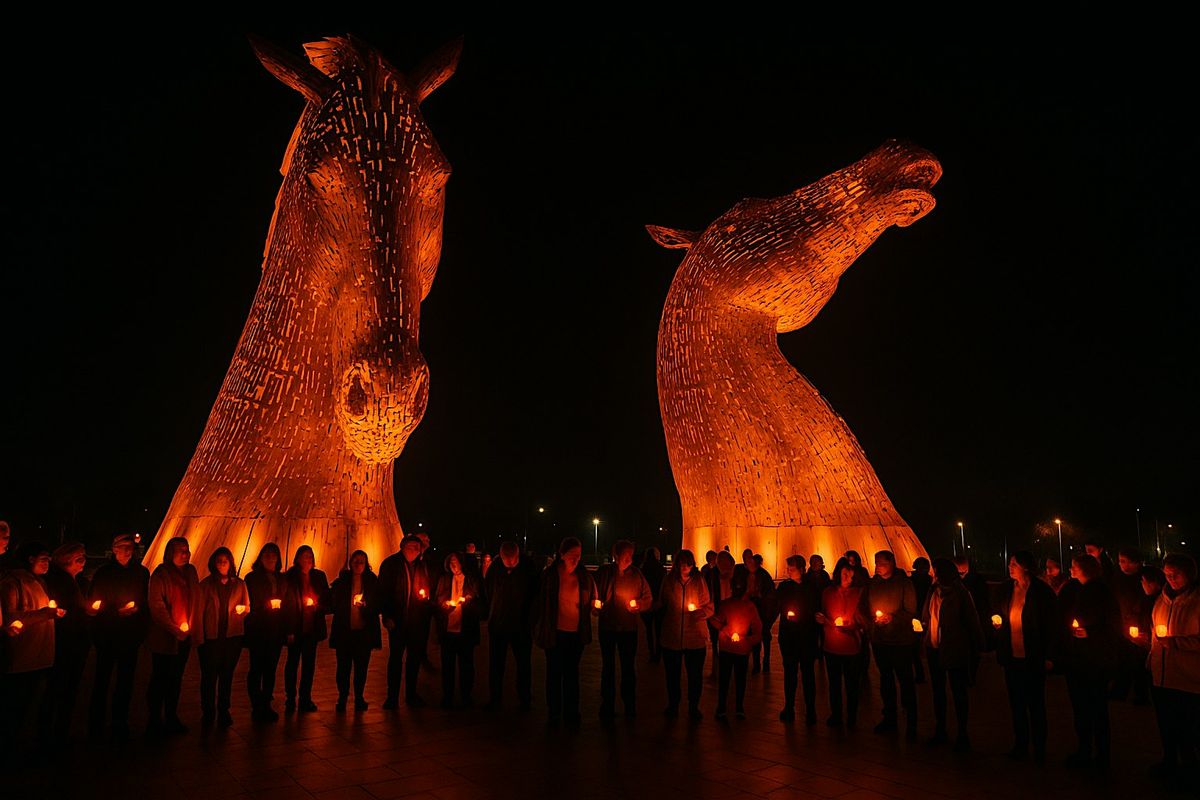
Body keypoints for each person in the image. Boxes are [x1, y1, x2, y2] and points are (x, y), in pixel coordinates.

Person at [994, 551, 1059, 765]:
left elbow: (1051, 626)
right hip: (1011, 656)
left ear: (1026, 567)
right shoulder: (1006, 589)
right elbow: (998, 614)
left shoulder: (1041, 592)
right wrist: (997, 624)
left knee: (1036, 703)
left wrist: (1049, 655)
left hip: (1033, 656)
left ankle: (1039, 747)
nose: (1010, 567)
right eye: (1010, 563)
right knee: (1016, 703)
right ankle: (1020, 743)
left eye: (1015, 564)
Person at [1060, 552, 1121, 768]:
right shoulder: (1078, 589)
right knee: (1082, 708)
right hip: (1078, 660)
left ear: (1084, 569)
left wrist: (1090, 634)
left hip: (1093, 661)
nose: (1070, 569)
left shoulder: (1099, 592)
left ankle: (1100, 755)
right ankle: (1085, 749)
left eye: (1074, 566)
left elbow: (1112, 624)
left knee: (1095, 708)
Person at [88, 533, 149, 741]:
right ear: (114, 549)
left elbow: (144, 601)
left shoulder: (141, 573)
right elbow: (95, 603)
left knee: (126, 680)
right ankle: (96, 721)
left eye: (130, 546)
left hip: (130, 636)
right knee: (102, 679)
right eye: (123, 546)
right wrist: (115, 612)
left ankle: (119, 720)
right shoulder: (104, 573)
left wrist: (140, 626)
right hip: (108, 634)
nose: (127, 550)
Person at [921, 557, 984, 751]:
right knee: (938, 691)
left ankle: (962, 733)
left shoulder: (961, 594)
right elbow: (926, 615)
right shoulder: (933, 591)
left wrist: (977, 647)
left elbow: (972, 621)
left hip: (954, 648)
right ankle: (941, 729)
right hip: (934, 648)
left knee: (958, 692)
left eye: (937, 572)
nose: (934, 575)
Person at [0, 541, 57, 753]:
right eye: (43, 559)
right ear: (30, 559)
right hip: (22, 657)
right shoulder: (11, 583)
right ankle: (10, 747)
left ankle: (24, 743)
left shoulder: (38, 582)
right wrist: (44, 614)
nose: (48, 563)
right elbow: (7, 617)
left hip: (39, 654)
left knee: (31, 704)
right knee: (15, 705)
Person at [534, 537, 596, 727]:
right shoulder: (550, 576)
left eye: (578, 556)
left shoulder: (584, 576)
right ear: (562, 555)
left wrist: (594, 607)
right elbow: (539, 602)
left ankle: (572, 711)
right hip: (555, 632)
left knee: (572, 673)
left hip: (576, 633)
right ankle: (554, 711)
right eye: (572, 555)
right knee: (554, 673)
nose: (576, 559)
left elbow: (594, 598)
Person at [1147, 553, 1199, 779]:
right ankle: (1169, 761)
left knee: (1189, 729)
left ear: (1189, 574)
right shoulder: (1161, 600)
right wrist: (1150, 656)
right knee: (1167, 726)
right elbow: (1154, 632)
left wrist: (1177, 642)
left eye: (1175, 574)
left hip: (1188, 678)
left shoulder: (1197, 601)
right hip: (1161, 676)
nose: (1170, 579)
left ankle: (1190, 771)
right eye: (1167, 574)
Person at [594, 540, 654, 719]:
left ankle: (629, 704)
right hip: (608, 628)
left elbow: (648, 597)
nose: (629, 559)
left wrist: (640, 605)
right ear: (616, 556)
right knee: (608, 667)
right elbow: (593, 594)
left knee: (628, 667)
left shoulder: (637, 575)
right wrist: (595, 606)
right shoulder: (604, 573)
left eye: (631, 556)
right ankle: (608, 704)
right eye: (626, 556)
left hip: (628, 629)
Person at [146, 536, 198, 737]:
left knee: (176, 678)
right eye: (180, 551)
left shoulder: (191, 572)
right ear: (170, 553)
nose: (185, 554)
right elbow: (157, 607)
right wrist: (174, 629)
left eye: (187, 550)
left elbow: (196, 599)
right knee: (160, 677)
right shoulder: (161, 574)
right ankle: (154, 719)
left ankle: (171, 715)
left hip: (184, 638)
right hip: (165, 638)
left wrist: (192, 629)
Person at [40, 542, 91, 742]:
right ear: (66, 560)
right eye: (79, 557)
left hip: (76, 641)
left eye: (84, 556)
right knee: (58, 687)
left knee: (68, 688)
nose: (83, 560)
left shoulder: (78, 581)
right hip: (65, 642)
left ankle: (60, 729)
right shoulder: (59, 582)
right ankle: (50, 733)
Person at [194, 546, 249, 728]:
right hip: (211, 639)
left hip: (231, 637)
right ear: (213, 563)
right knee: (209, 677)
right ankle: (208, 711)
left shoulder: (239, 584)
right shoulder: (205, 585)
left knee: (227, 676)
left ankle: (224, 710)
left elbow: (247, 606)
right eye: (219, 561)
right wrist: (200, 639)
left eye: (225, 561)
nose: (222, 564)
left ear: (230, 563)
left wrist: (242, 611)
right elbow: (199, 612)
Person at [378, 534, 434, 708]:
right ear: (402, 547)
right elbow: (383, 592)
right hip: (398, 620)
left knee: (414, 659)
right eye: (411, 547)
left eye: (417, 548)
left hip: (416, 621)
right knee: (395, 658)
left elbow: (427, 586)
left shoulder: (421, 565)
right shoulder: (391, 564)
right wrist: (386, 615)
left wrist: (425, 599)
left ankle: (411, 694)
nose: (414, 551)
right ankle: (392, 697)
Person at [867, 550, 918, 739]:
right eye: (876, 563)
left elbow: (911, 610)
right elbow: (869, 607)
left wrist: (892, 618)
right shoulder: (874, 584)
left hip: (900, 642)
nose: (877, 567)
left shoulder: (905, 584)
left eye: (881, 563)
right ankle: (889, 717)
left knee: (905, 681)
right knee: (885, 680)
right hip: (881, 641)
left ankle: (911, 722)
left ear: (892, 563)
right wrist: (874, 621)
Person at [483, 540, 538, 710]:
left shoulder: (530, 569)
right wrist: (491, 615)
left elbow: (536, 596)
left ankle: (525, 699)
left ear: (518, 555)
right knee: (496, 664)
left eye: (514, 560)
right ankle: (495, 698)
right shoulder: (494, 568)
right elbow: (488, 592)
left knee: (523, 664)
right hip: (498, 624)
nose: (511, 564)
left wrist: (530, 620)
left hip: (521, 626)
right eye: (507, 561)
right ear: (501, 557)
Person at [659, 549, 712, 720]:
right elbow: (661, 602)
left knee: (695, 675)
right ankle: (673, 704)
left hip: (694, 637)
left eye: (688, 564)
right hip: (672, 636)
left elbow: (709, 606)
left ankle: (693, 706)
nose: (685, 567)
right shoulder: (668, 581)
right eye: (681, 564)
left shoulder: (699, 581)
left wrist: (701, 613)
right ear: (676, 564)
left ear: (692, 565)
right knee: (672, 675)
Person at [817, 558, 866, 728]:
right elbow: (823, 612)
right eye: (845, 574)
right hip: (831, 646)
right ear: (838, 573)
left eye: (851, 576)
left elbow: (863, 618)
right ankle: (836, 715)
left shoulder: (859, 593)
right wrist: (821, 619)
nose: (848, 579)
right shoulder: (828, 593)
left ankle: (852, 717)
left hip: (851, 647)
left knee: (852, 685)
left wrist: (854, 625)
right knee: (834, 683)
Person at [329, 550, 381, 711]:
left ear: (366, 564)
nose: (358, 564)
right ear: (350, 563)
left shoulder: (372, 582)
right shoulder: (342, 582)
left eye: (362, 561)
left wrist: (365, 606)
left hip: (363, 633)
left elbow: (377, 605)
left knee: (361, 668)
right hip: (345, 632)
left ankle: (359, 697)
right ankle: (342, 697)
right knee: (343, 668)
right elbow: (333, 602)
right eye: (356, 561)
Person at [282, 545, 330, 713]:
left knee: (309, 665)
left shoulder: (319, 576)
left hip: (312, 629)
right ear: (297, 558)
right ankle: (290, 698)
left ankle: (305, 698)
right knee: (292, 663)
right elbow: (285, 605)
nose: (307, 559)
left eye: (310, 556)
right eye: (304, 556)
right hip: (296, 628)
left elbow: (327, 600)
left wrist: (317, 606)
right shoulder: (289, 577)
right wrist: (288, 630)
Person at [434, 552, 484, 708]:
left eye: (456, 562)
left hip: (466, 629)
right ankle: (447, 696)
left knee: (466, 666)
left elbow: (480, 602)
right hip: (448, 630)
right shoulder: (444, 579)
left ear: (462, 563)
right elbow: (438, 598)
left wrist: (469, 601)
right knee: (447, 666)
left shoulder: (471, 580)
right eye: (450, 563)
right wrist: (444, 604)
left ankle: (466, 696)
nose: (453, 566)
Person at [710, 570, 761, 721]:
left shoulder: (748, 607)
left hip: (739, 649)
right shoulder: (728, 605)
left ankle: (735, 706)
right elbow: (715, 620)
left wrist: (747, 640)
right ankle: (725, 706)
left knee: (737, 679)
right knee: (727, 679)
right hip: (729, 648)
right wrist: (725, 629)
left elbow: (758, 629)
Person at [244, 542, 287, 722]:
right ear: (261, 558)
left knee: (270, 668)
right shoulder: (252, 578)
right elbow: (250, 601)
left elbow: (287, 601)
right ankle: (256, 704)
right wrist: (265, 605)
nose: (270, 558)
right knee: (256, 668)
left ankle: (266, 703)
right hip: (258, 629)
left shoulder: (281, 578)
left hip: (275, 629)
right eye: (267, 555)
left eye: (273, 555)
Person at [775, 554, 820, 724]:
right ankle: (789, 706)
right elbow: (777, 605)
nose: (788, 571)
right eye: (788, 568)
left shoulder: (811, 587)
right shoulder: (784, 588)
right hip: (789, 637)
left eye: (791, 569)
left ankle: (810, 709)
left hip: (807, 636)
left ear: (801, 569)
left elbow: (816, 608)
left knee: (808, 674)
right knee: (790, 673)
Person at [1110, 548, 1150, 704]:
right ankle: (1120, 691)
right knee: (1123, 659)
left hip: (1140, 625)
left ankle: (1142, 695)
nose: (1123, 565)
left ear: (1137, 562)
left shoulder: (1145, 578)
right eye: (1120, 561)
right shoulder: (1117, 579)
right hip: (1122, 625)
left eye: (1127, 561)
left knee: (1140, 661)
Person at [736, 549, 777, 674]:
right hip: (749, 610)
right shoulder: (742, 574)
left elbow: (771, 594)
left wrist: (761, 598)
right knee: (754, 637)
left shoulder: (764, 575)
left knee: (765, 635)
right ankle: (756, 663)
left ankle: (766, 661)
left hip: (762, 610)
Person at [954, 555, 992, 656]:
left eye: (963, 573)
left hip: (975, 619)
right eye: (958, 573)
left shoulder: (977, 581)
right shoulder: (952, 583)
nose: (961, 576)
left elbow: (983, 602)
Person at [706, 550, 736, 676]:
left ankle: (727, 664)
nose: (725, 568)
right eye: (722, 564)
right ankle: (717, 663)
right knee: (715, 639)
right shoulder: (711, 575)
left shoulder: (734, 575)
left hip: (731, 612)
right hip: (716, 611)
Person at [640, 547, 666, 664]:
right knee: (659, 630)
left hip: (646, 604)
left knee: (649, 630)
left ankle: (651, 652)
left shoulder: (642, 569)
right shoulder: (661, 569)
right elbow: (663, 587)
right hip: (658, 604)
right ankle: (658, 654)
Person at [910, 557, 932, 683]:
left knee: (918, 646)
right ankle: (920, 672)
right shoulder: (928, 582)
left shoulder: (914, 581)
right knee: (917, 646)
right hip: (918, 615)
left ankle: (920, 672)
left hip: (921, 615)